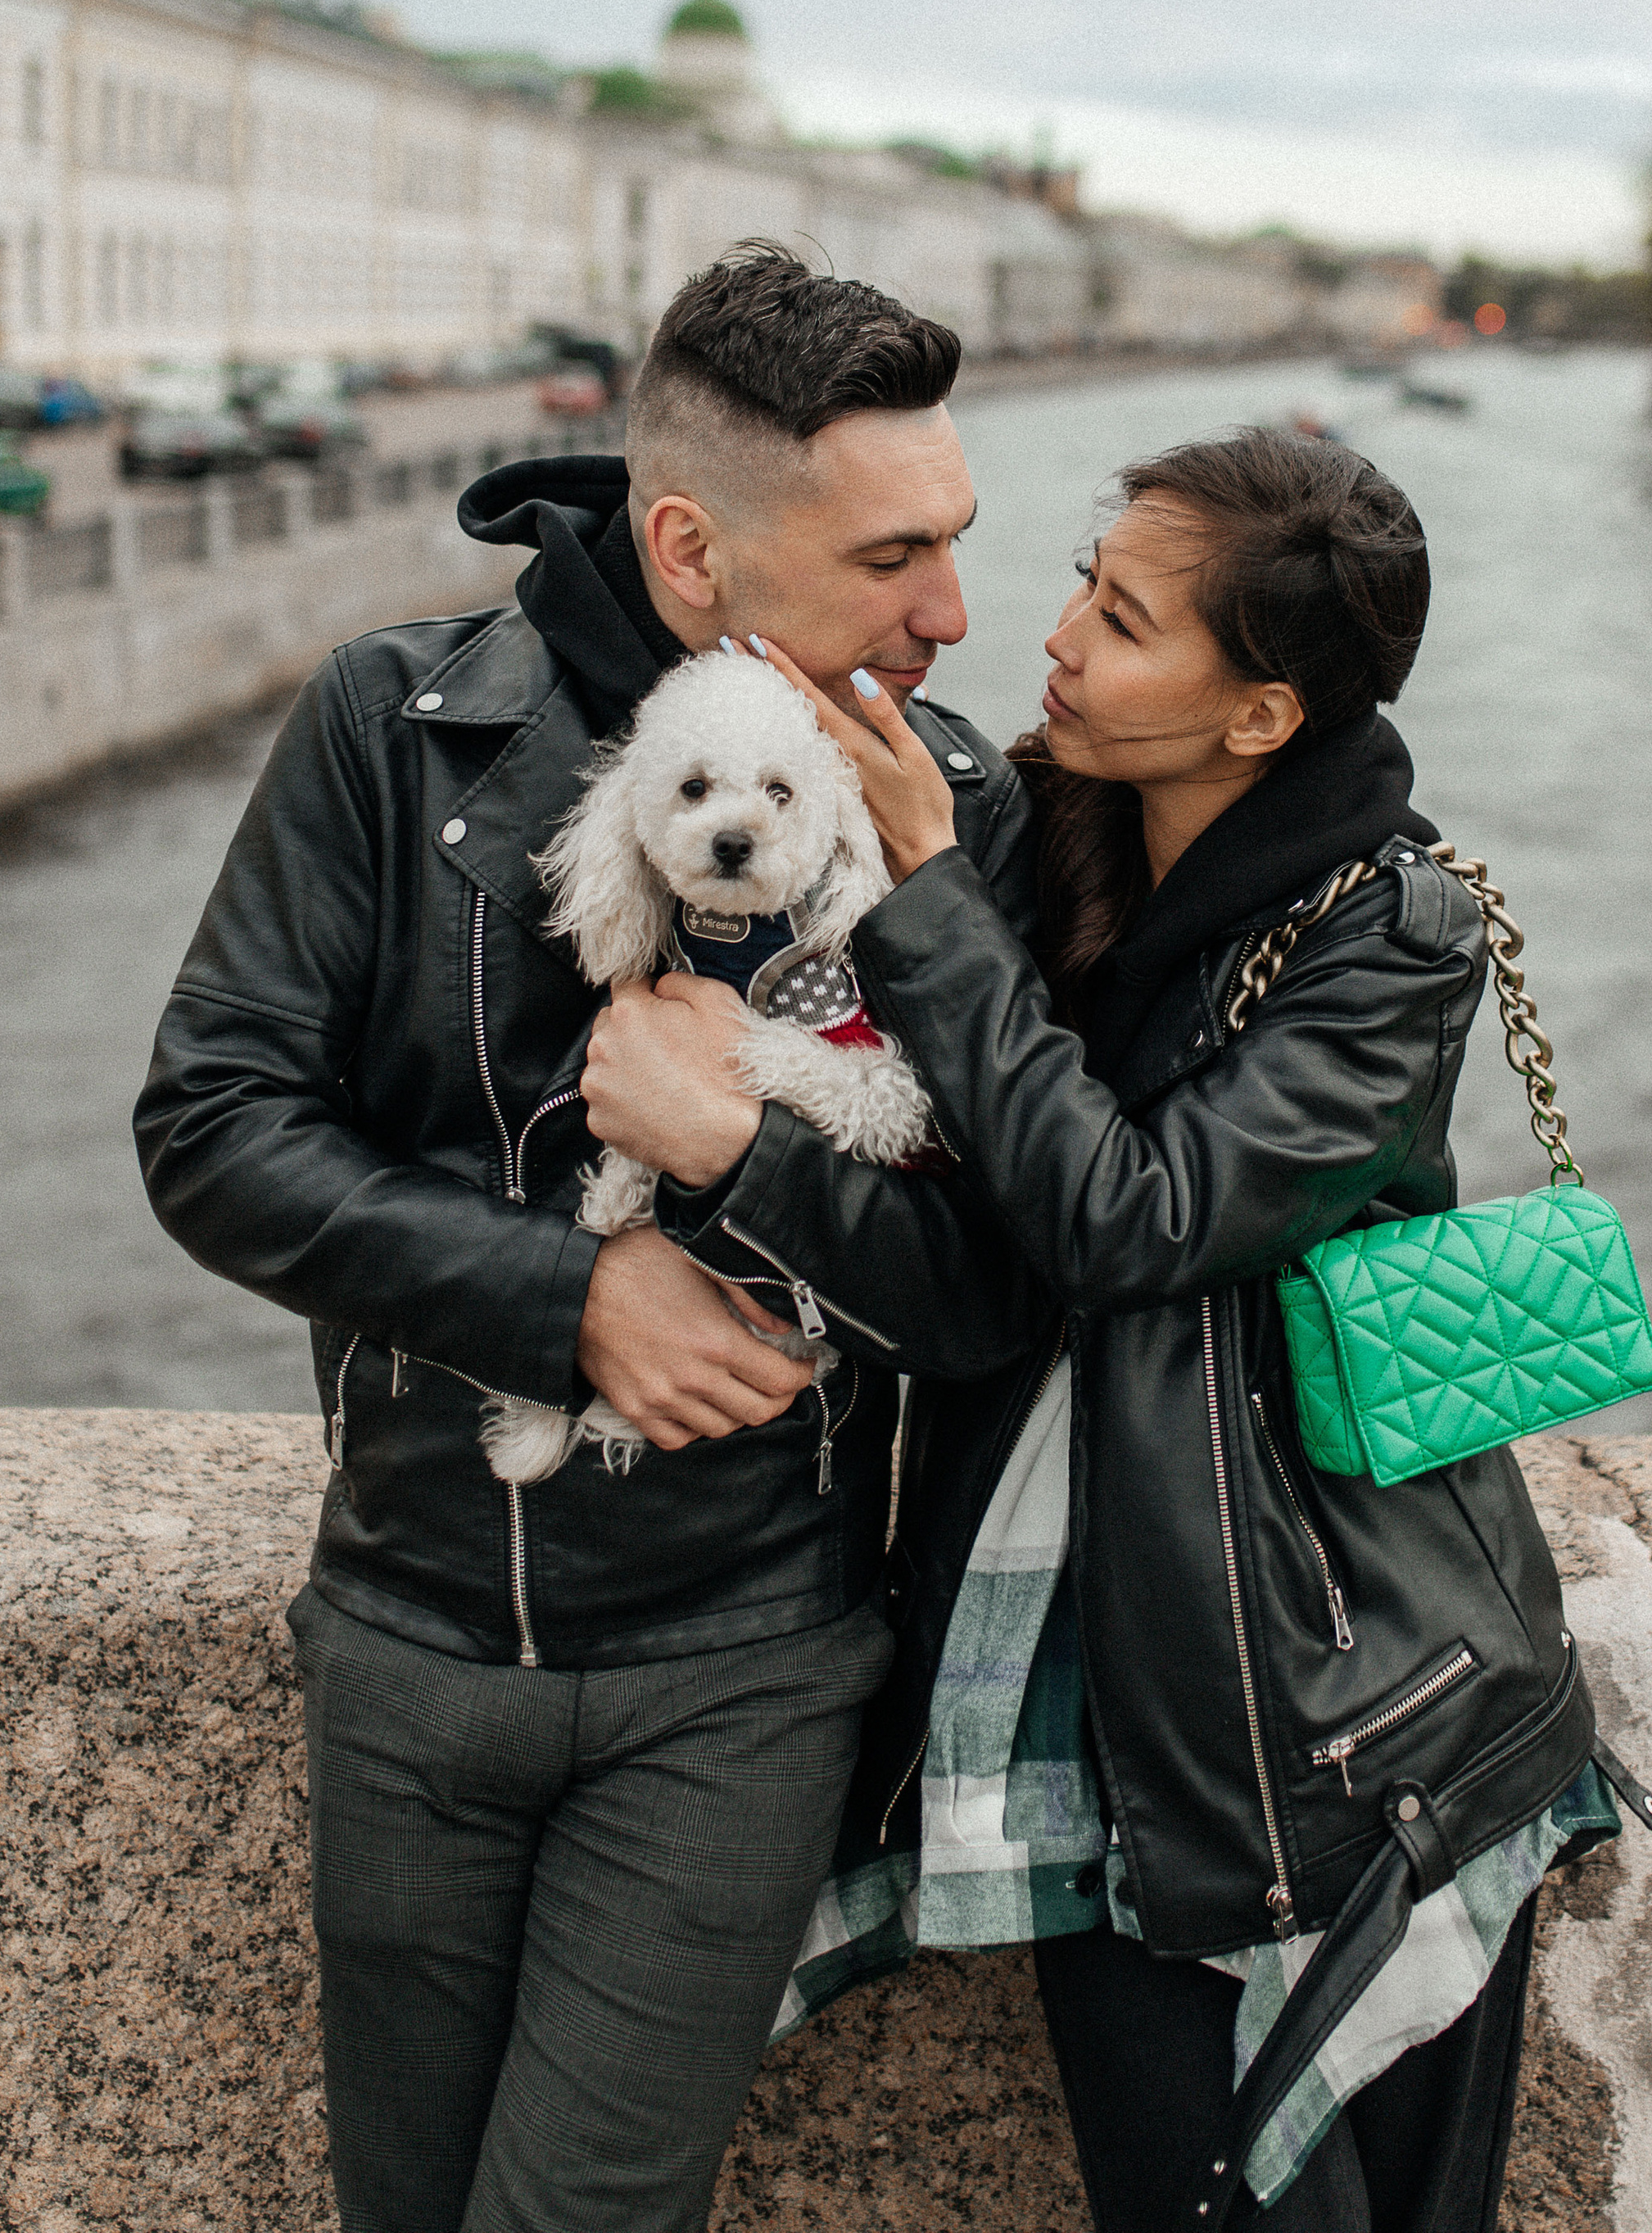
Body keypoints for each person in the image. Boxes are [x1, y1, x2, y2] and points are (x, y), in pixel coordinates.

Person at [586, 428, 1627, 2233]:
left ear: (1256, 716)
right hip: (1073, 1687)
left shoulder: (1387, 936)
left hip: (1338, 1703)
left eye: (1123, 620)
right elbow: (951, 1236)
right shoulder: (1027, 829)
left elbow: (1127, 1222)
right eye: (1085, 578)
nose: (1052, 636)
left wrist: (928, 904)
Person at [134, 242, 1045, 2233]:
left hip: (744, 1666)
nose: (952, 616)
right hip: (406, 1636)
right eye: (892, 557)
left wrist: (738, 1155)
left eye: (956, 544)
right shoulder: (397, 725)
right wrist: (573, 1290)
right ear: (694, 551)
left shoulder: (949, 804)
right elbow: (210, 1130)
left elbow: (1003, 1290)